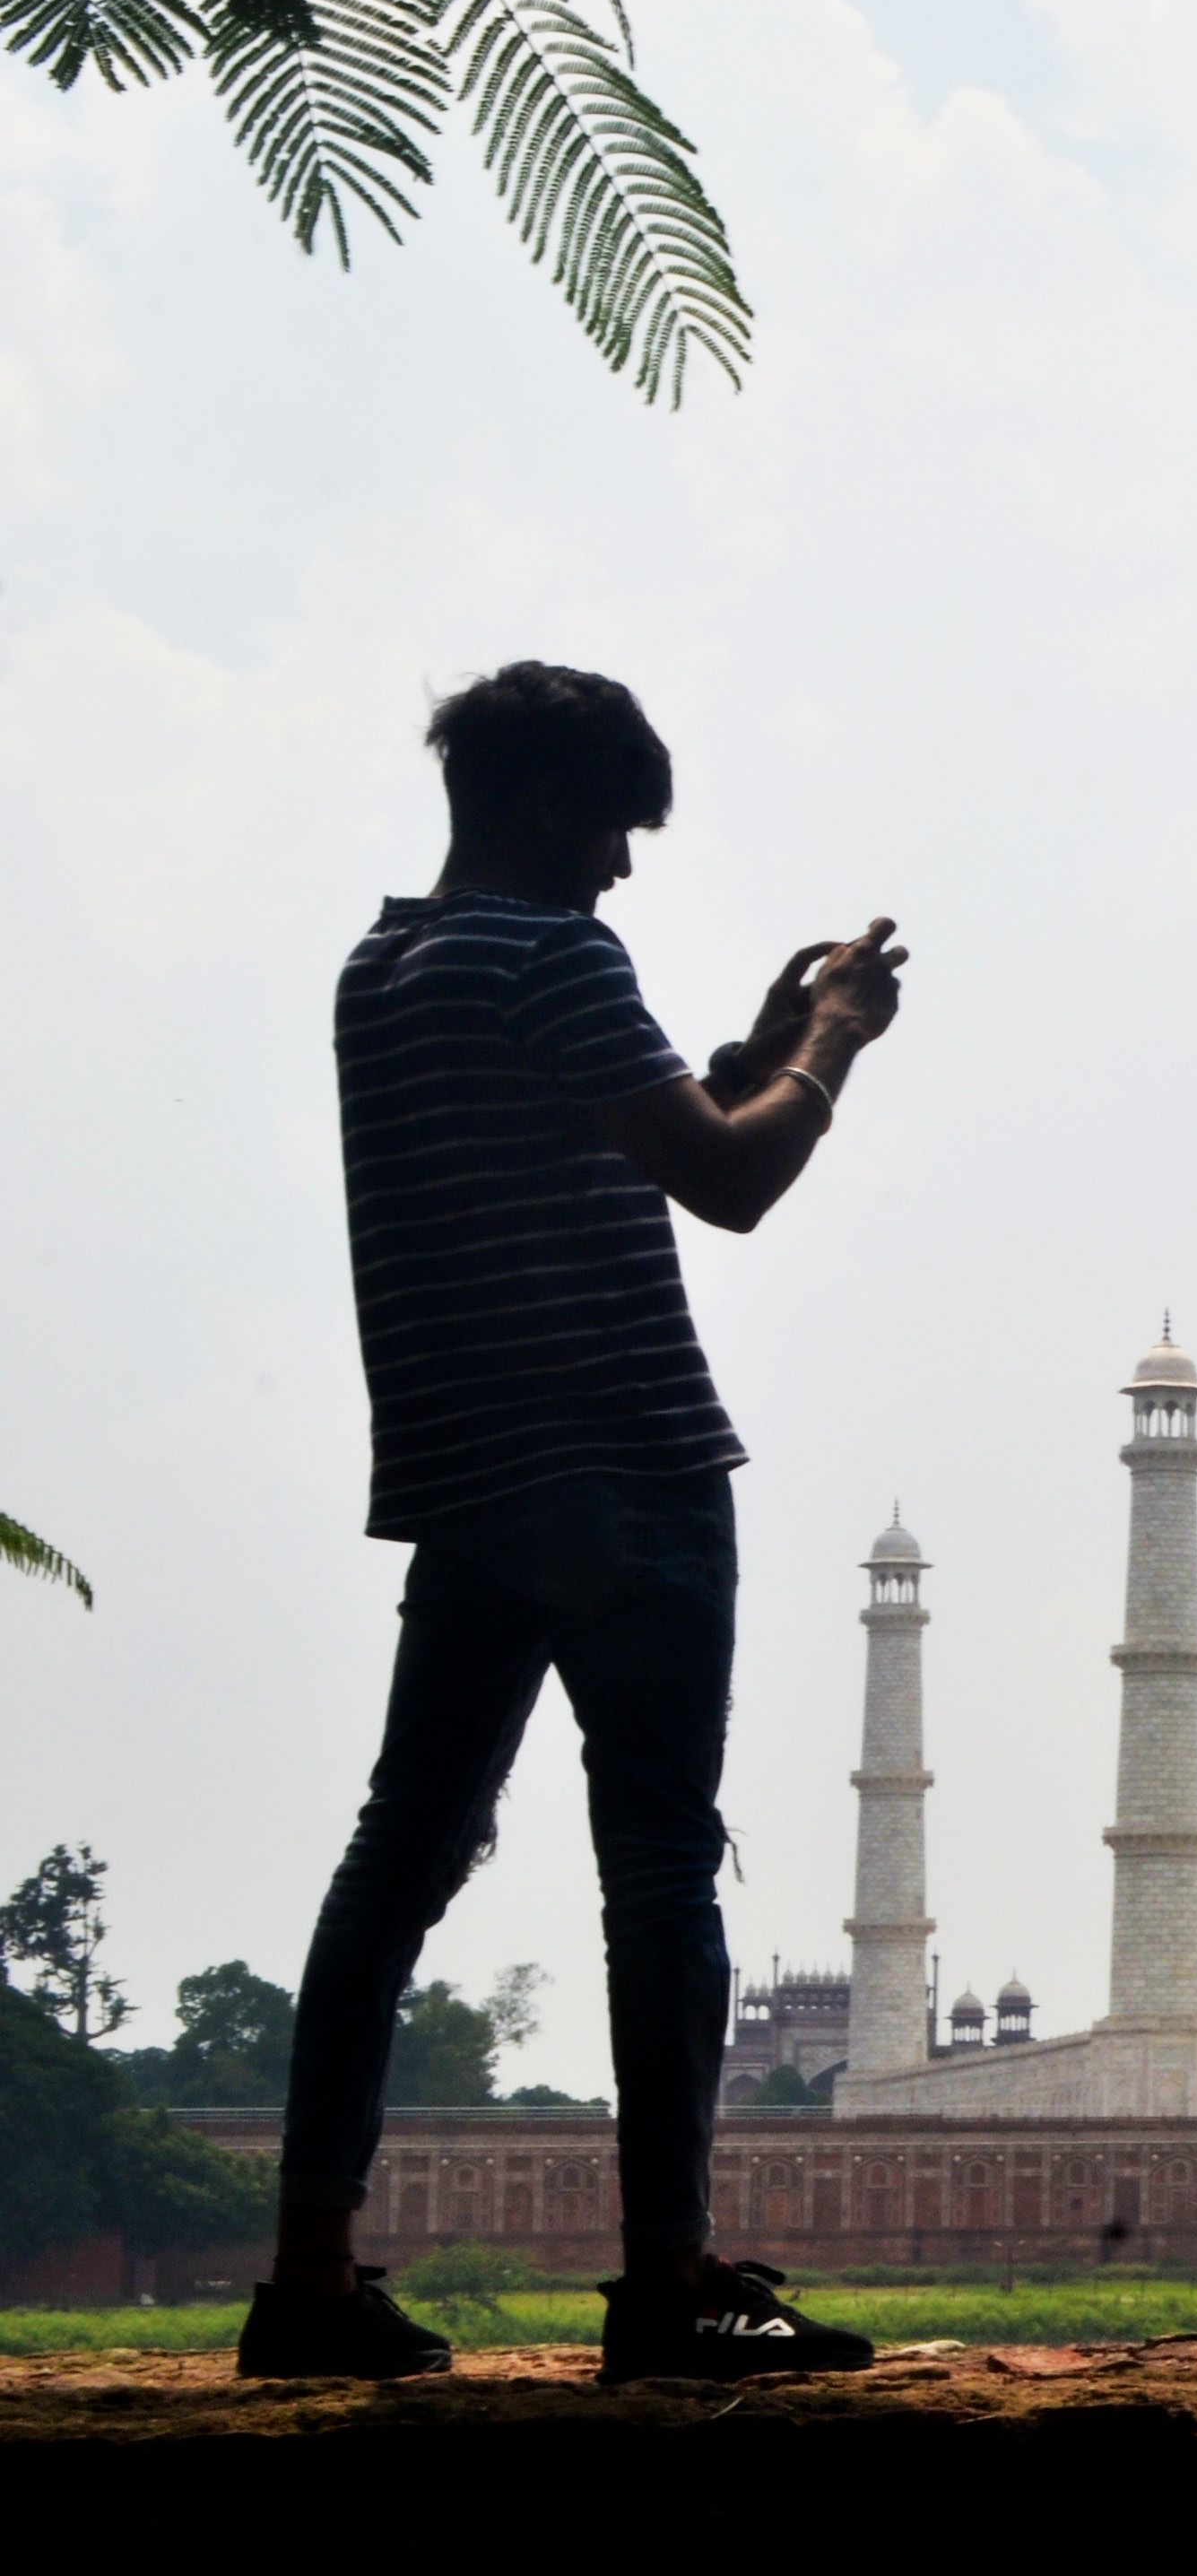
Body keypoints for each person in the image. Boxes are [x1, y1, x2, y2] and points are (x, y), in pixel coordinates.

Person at [236, 664, 907, 2382]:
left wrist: (746, 1055)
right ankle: (669, 2283)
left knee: (397, 1860)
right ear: (543, 805)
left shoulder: (382, 971)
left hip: (469, 1479)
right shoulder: (553, 954)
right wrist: (829, 1047)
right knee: (662, 1872)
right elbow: (732, 1183)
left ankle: (307, 2280)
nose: (622, 864)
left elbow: (583, 1148)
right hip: (623, 1463)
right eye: (613, 822)